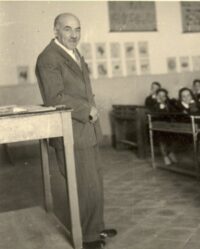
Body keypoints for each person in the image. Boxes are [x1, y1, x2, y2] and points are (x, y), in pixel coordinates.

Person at [35, 13, 116, 249]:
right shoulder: (48, 58)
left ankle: (95, 228)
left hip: (86, 130)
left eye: (77, 29)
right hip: (71, 130)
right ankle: (88, 239)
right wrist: (86, 110)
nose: (74, 35)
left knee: (93, 182)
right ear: (56, 30)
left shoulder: (73, 53)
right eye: (68, 29)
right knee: (82, 185)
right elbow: (54, 97)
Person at [151, 88, 177, 165]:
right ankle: (165, 156)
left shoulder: (169, 105)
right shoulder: (154, 106)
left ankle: (170, 153)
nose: (162, 98)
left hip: (168, 127)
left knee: (171, 140)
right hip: (158, 128)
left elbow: (174, 114)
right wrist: (158, 106)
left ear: (166, 97)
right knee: (162, 141)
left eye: (163, 96)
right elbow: (153, 116)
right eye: (159, 96)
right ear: (156, 96)